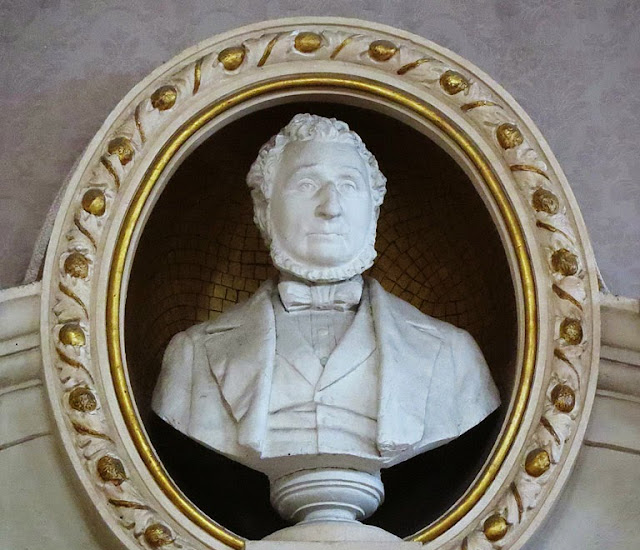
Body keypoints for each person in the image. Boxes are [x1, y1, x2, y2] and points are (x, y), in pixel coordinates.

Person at [152, 114, 500, 482]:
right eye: (306, 184)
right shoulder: (192, 357)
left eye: (348, 186)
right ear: (263, 210)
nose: (330, 207)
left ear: (375, 211)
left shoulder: (453, 355)